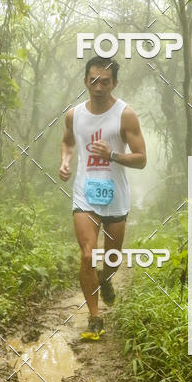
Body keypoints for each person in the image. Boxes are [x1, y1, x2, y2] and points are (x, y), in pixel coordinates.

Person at [59, 56, 147, 340]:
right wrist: (65, 161)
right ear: (85, 81)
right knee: (88, 256)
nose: (98, 87)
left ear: (114, 84)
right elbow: (68, 141)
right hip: (85, 194)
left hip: (115, 196)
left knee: (110, 258)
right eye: (93, 80)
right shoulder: (74, 115)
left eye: (105, 82)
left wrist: (111, 154)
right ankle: (94, 317)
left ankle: (106, 279)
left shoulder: (126, 115)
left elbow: (142, 159)